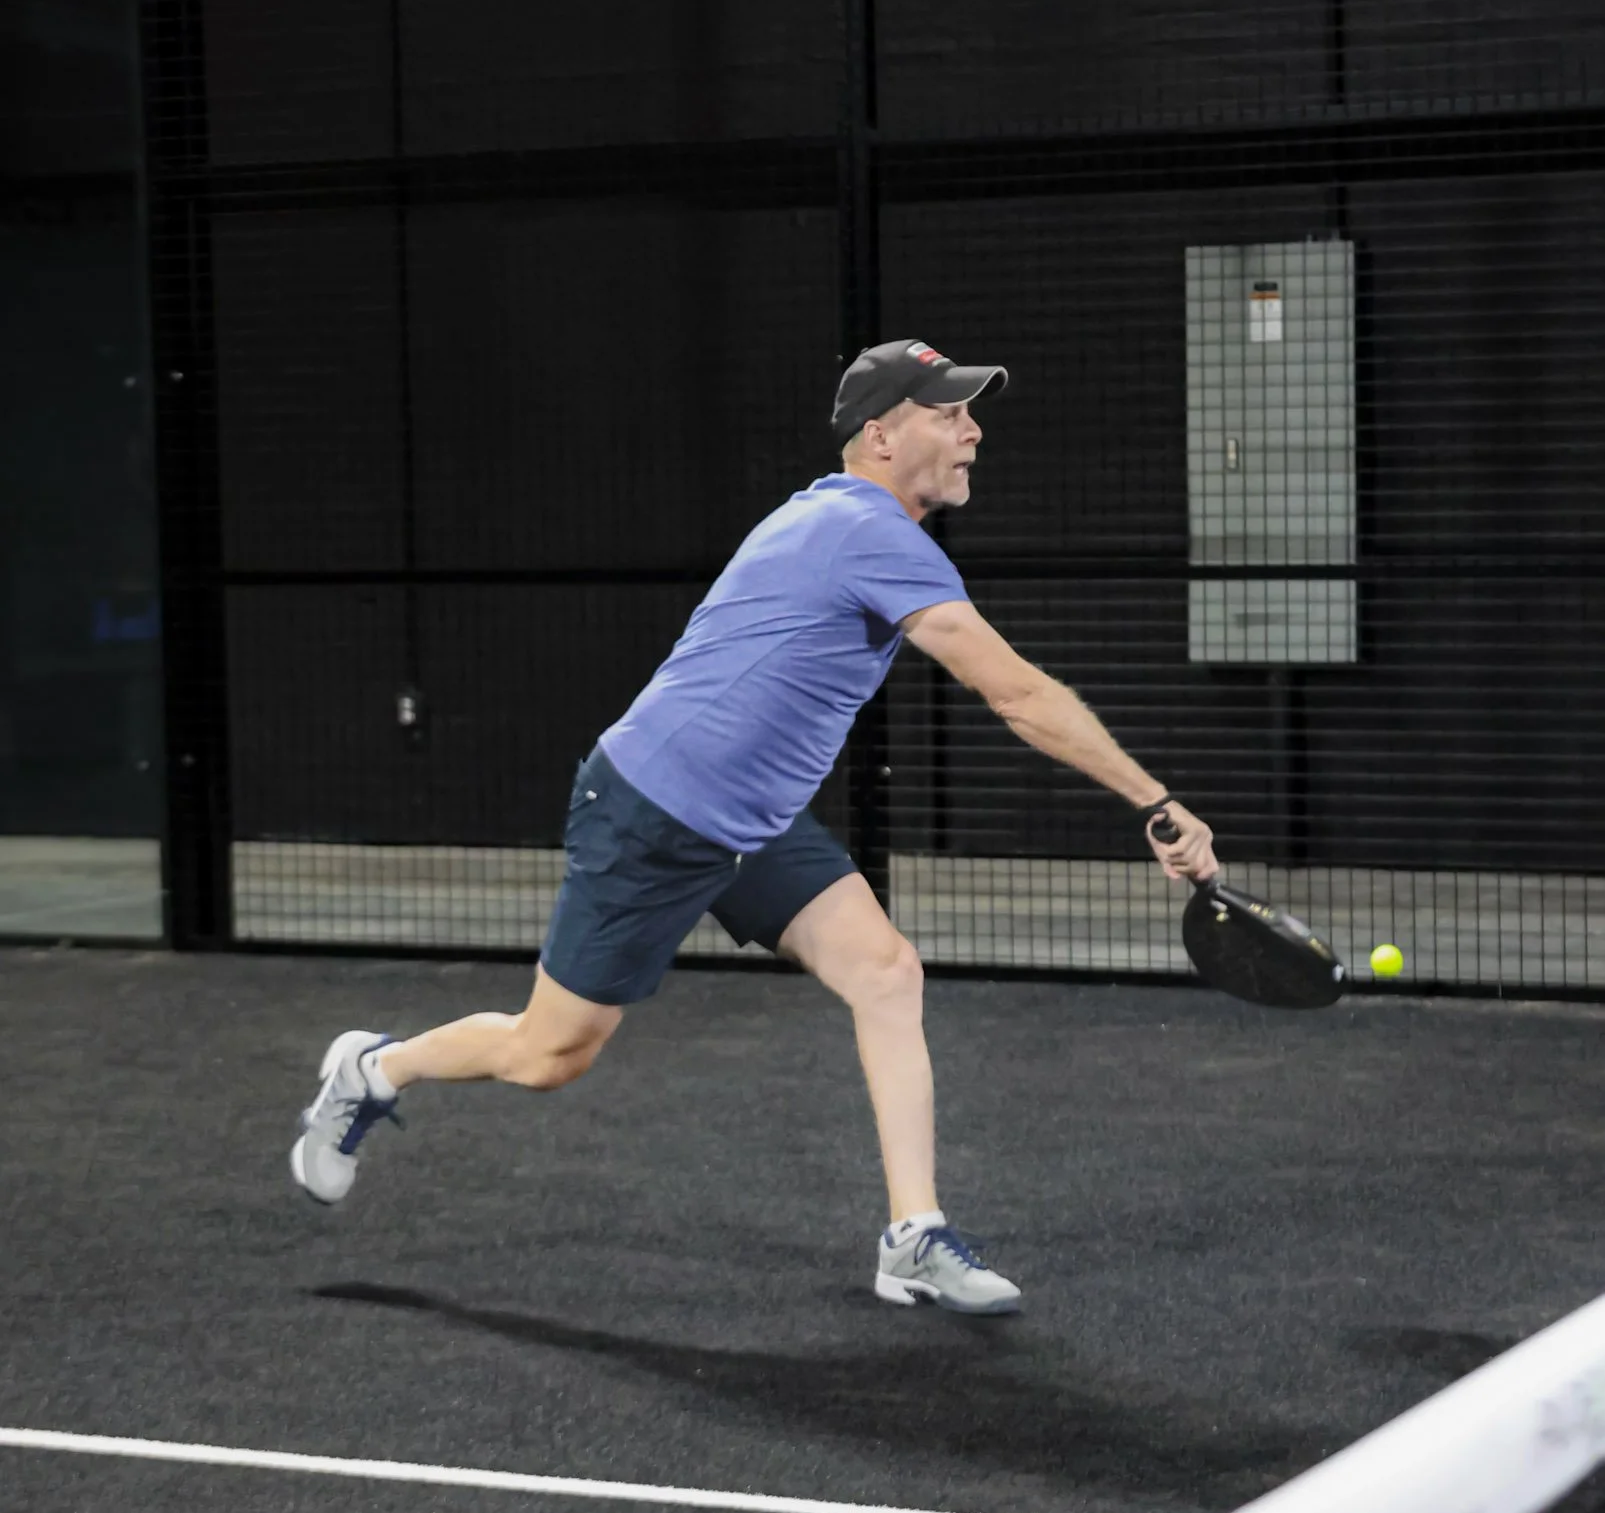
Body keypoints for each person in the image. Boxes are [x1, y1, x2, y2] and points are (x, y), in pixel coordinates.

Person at [291, 339, 1219, 1314]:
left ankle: (913, 1235)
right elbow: (1016, 693)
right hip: (652, 815)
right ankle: (373, 1066)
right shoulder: (867, 529)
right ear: (880, 433)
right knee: (549, 1055)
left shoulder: (849, 519)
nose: (972, 429)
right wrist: (1151, 798)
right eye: (948, 413)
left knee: (886, 970)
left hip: (754, 822)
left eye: (969, 412)